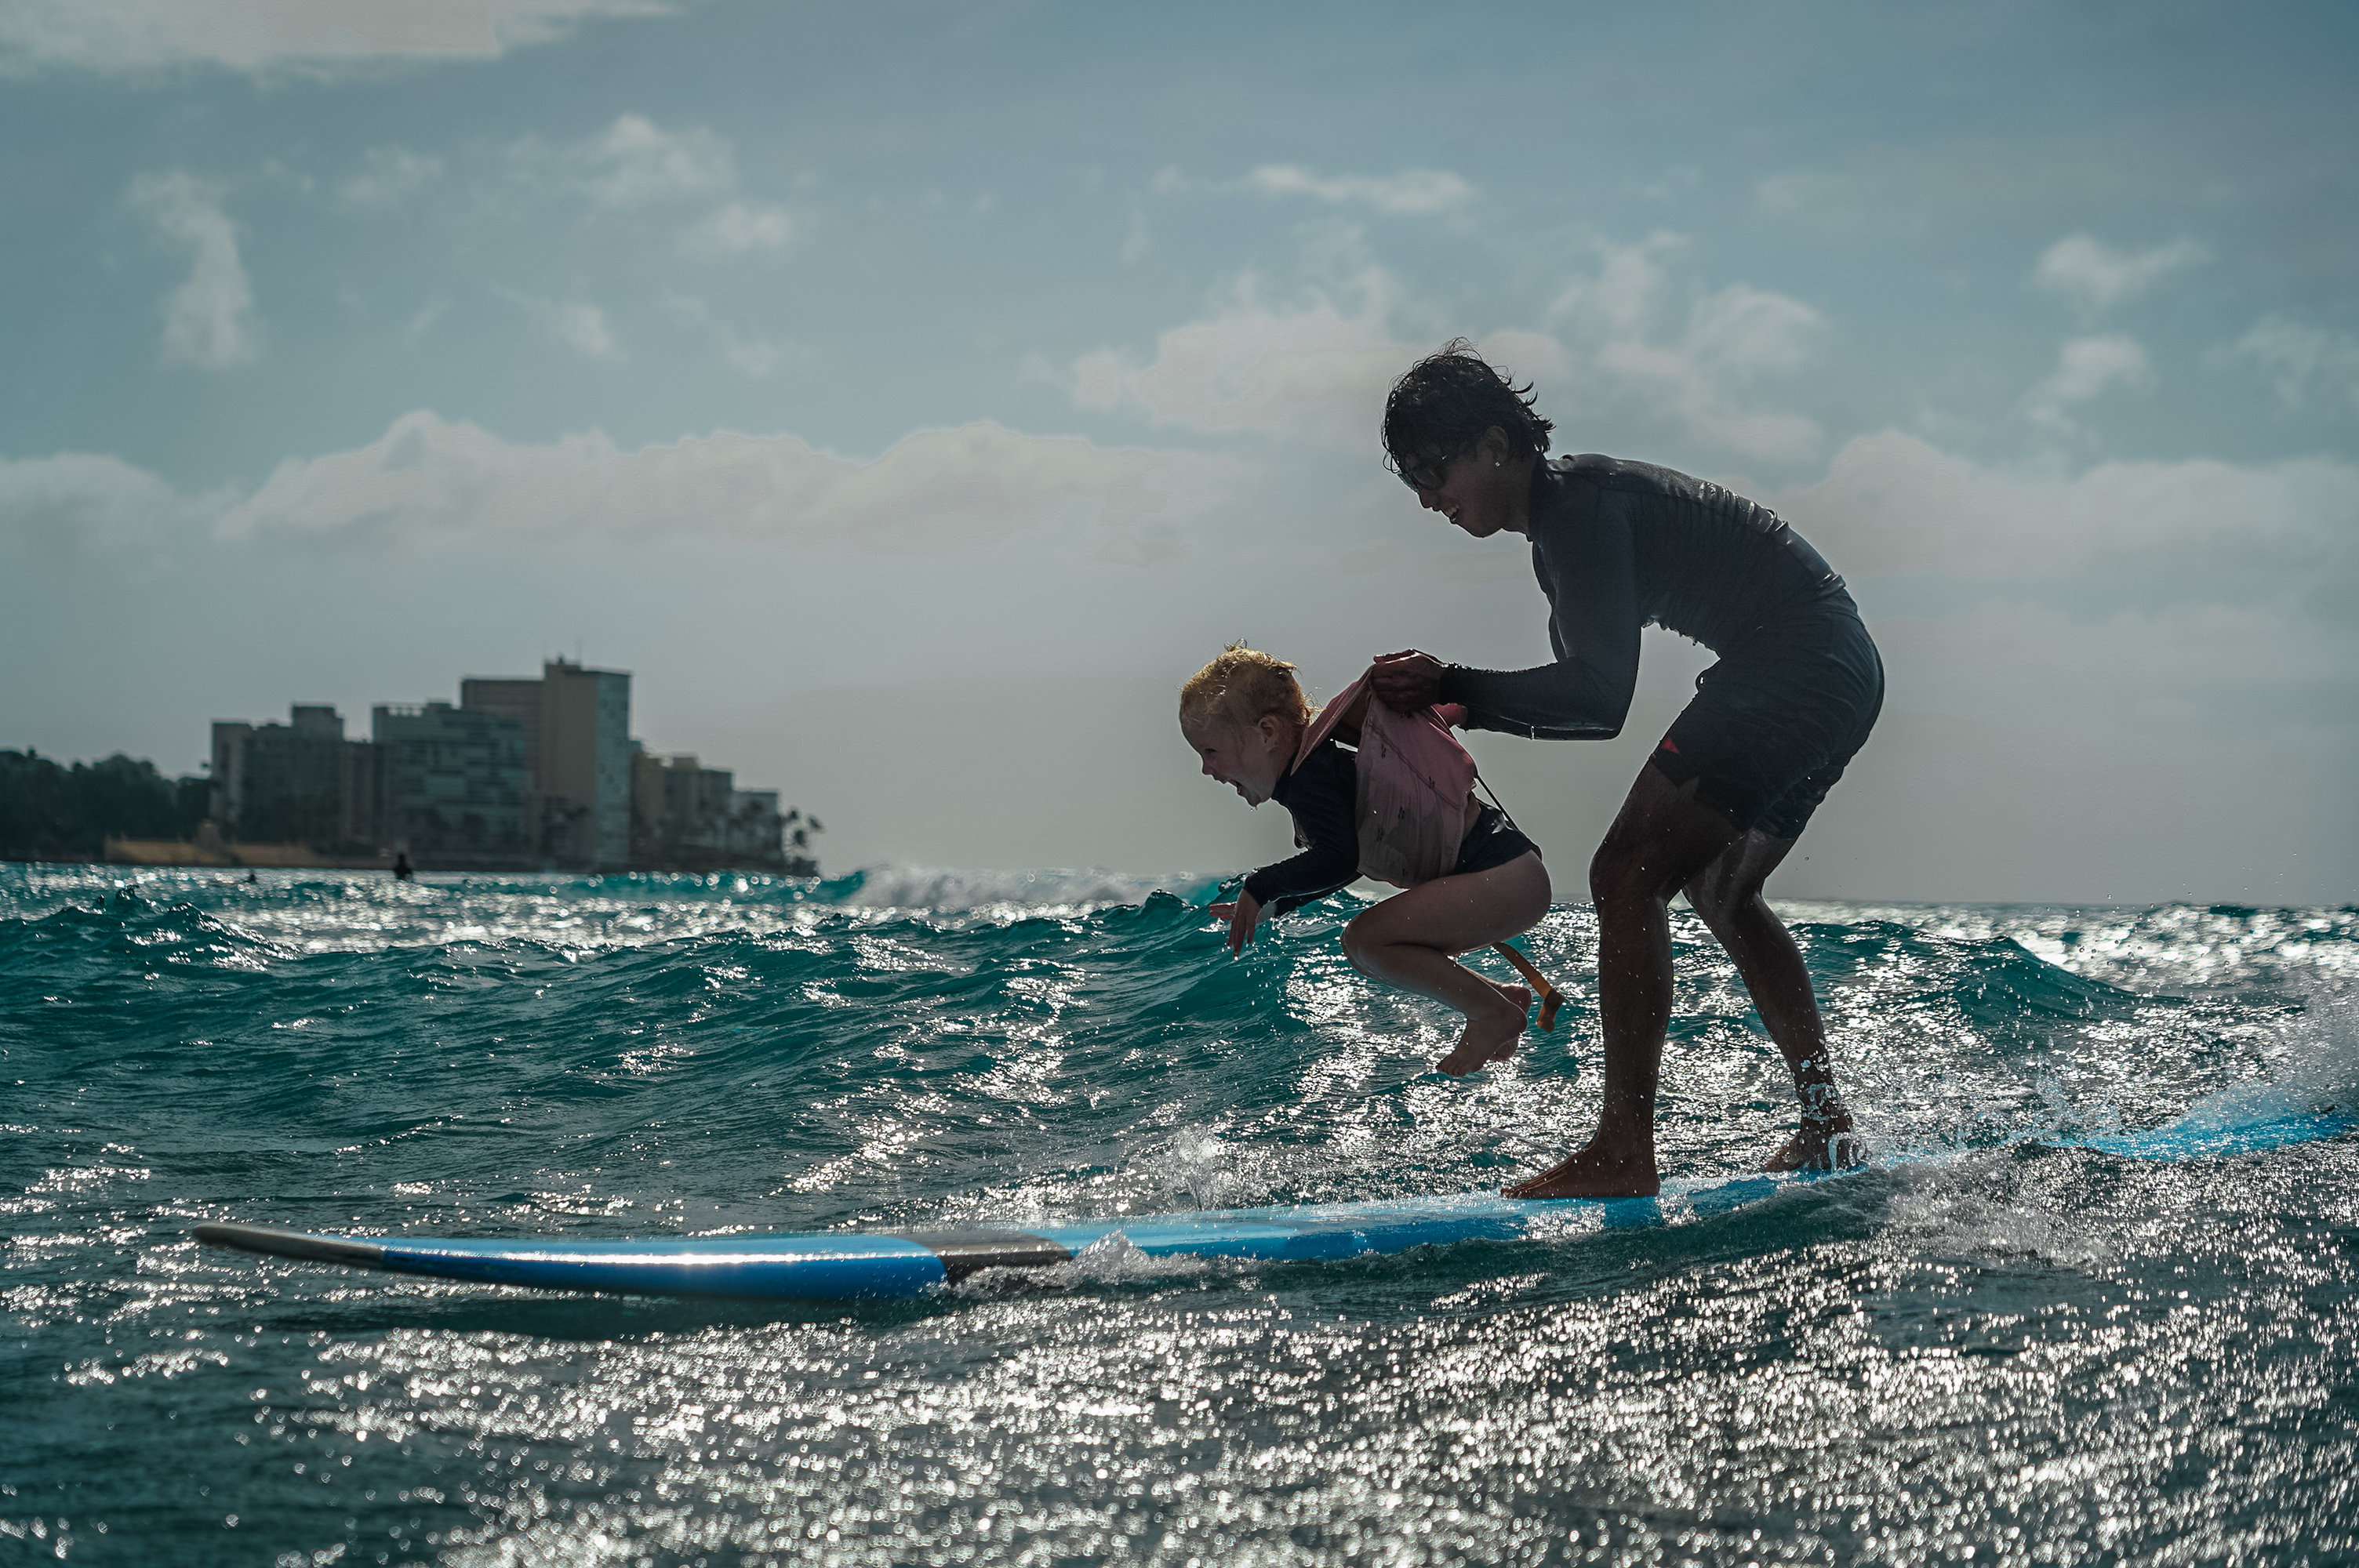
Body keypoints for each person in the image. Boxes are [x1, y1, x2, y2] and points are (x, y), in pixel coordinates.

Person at [1369, 341, 1883, 1196]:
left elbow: (1597, 699)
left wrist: (1453, 683)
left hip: (1794, 662)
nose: (1429, 499)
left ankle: (1621, 1148)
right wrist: (1457, 702)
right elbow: (1580, 705)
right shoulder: (1564, 526)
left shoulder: (1577, 512)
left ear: (1494, 443)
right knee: (1720, 890)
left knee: (1624, 873)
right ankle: (1826, 1122)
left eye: (1435, 469)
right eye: (1413, 482)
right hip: (1842, 667)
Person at [1181, 644, 1552, 1075]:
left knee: (1365, 940)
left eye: (1210, 752)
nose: (1207, 770)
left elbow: (1339, 859)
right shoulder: (1319, 773)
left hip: (1503, 876)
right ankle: (1499, 999)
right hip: (1511, 874)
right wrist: (1279, 904)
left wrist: (1261, 886)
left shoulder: (1309, 779)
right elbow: (1353, 859)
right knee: (1366, 950)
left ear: (1266, 733)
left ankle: (1492, 1011)